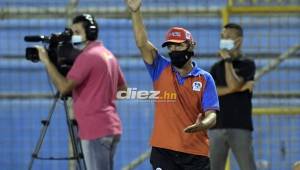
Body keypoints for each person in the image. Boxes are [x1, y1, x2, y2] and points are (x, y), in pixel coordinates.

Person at [125, 0, 219, 169]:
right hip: (164, 151)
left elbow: (212, 114)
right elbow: (142, 43)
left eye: (179, 45)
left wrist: (203, 124)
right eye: (170, 47)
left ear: (191, 46)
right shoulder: (160, 67)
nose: (174, 50)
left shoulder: (205, 79)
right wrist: (135, 12)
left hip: (196, 153)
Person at [36, 14, 127, 170]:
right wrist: (98, 94)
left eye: (77, 32)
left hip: (95, 129)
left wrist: (46, 61)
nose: (73, 36)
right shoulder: (107, 54)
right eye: (72, 32)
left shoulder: (87, 57)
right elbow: (123, 90)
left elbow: (64, 88)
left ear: (90, 34)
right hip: (110, 127)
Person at [208, 23, 257, 170]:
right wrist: (237, 88)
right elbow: (213, 92)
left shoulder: (247, 64)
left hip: (240, 126)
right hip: (217, 127)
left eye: (228, 37)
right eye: (222, 37)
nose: (224, 40)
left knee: (248, 167)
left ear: (239, 41)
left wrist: (228, 61)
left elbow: (233, 84)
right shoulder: (216, 68)